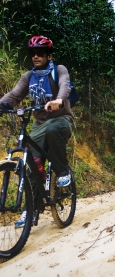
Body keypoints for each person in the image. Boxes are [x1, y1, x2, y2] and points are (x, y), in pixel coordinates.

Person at [0, 35, 74, 227]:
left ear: (49, 55)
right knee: (31, 162)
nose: (36, 56)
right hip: (39, 123)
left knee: (52, 130)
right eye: (33, 53)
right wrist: (3, 104)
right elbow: (15, 94)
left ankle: (63, 172)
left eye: (40, 53)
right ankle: (30, 208)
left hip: (61, 120)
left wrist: (58, 100)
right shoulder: (28, 76)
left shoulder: (59, 70)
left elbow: (65, 85)